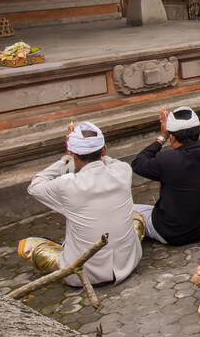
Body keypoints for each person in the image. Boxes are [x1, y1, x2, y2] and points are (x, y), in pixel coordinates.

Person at [22, 122, 143, 286]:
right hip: (128, 264)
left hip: (84, 275)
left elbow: (35, 187)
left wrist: (65, 158)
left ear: (73, 154)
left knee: (26, 245)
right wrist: (88, 149)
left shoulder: (66, 185)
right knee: (137, 217)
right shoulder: (123, 170)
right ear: (104, 150)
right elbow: (107, 160)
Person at [131, 107, 200, 245]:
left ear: (172, 137)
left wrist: (162, 137)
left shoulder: (167, 160)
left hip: (174, 233)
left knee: (124, 210)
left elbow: (138, 163)